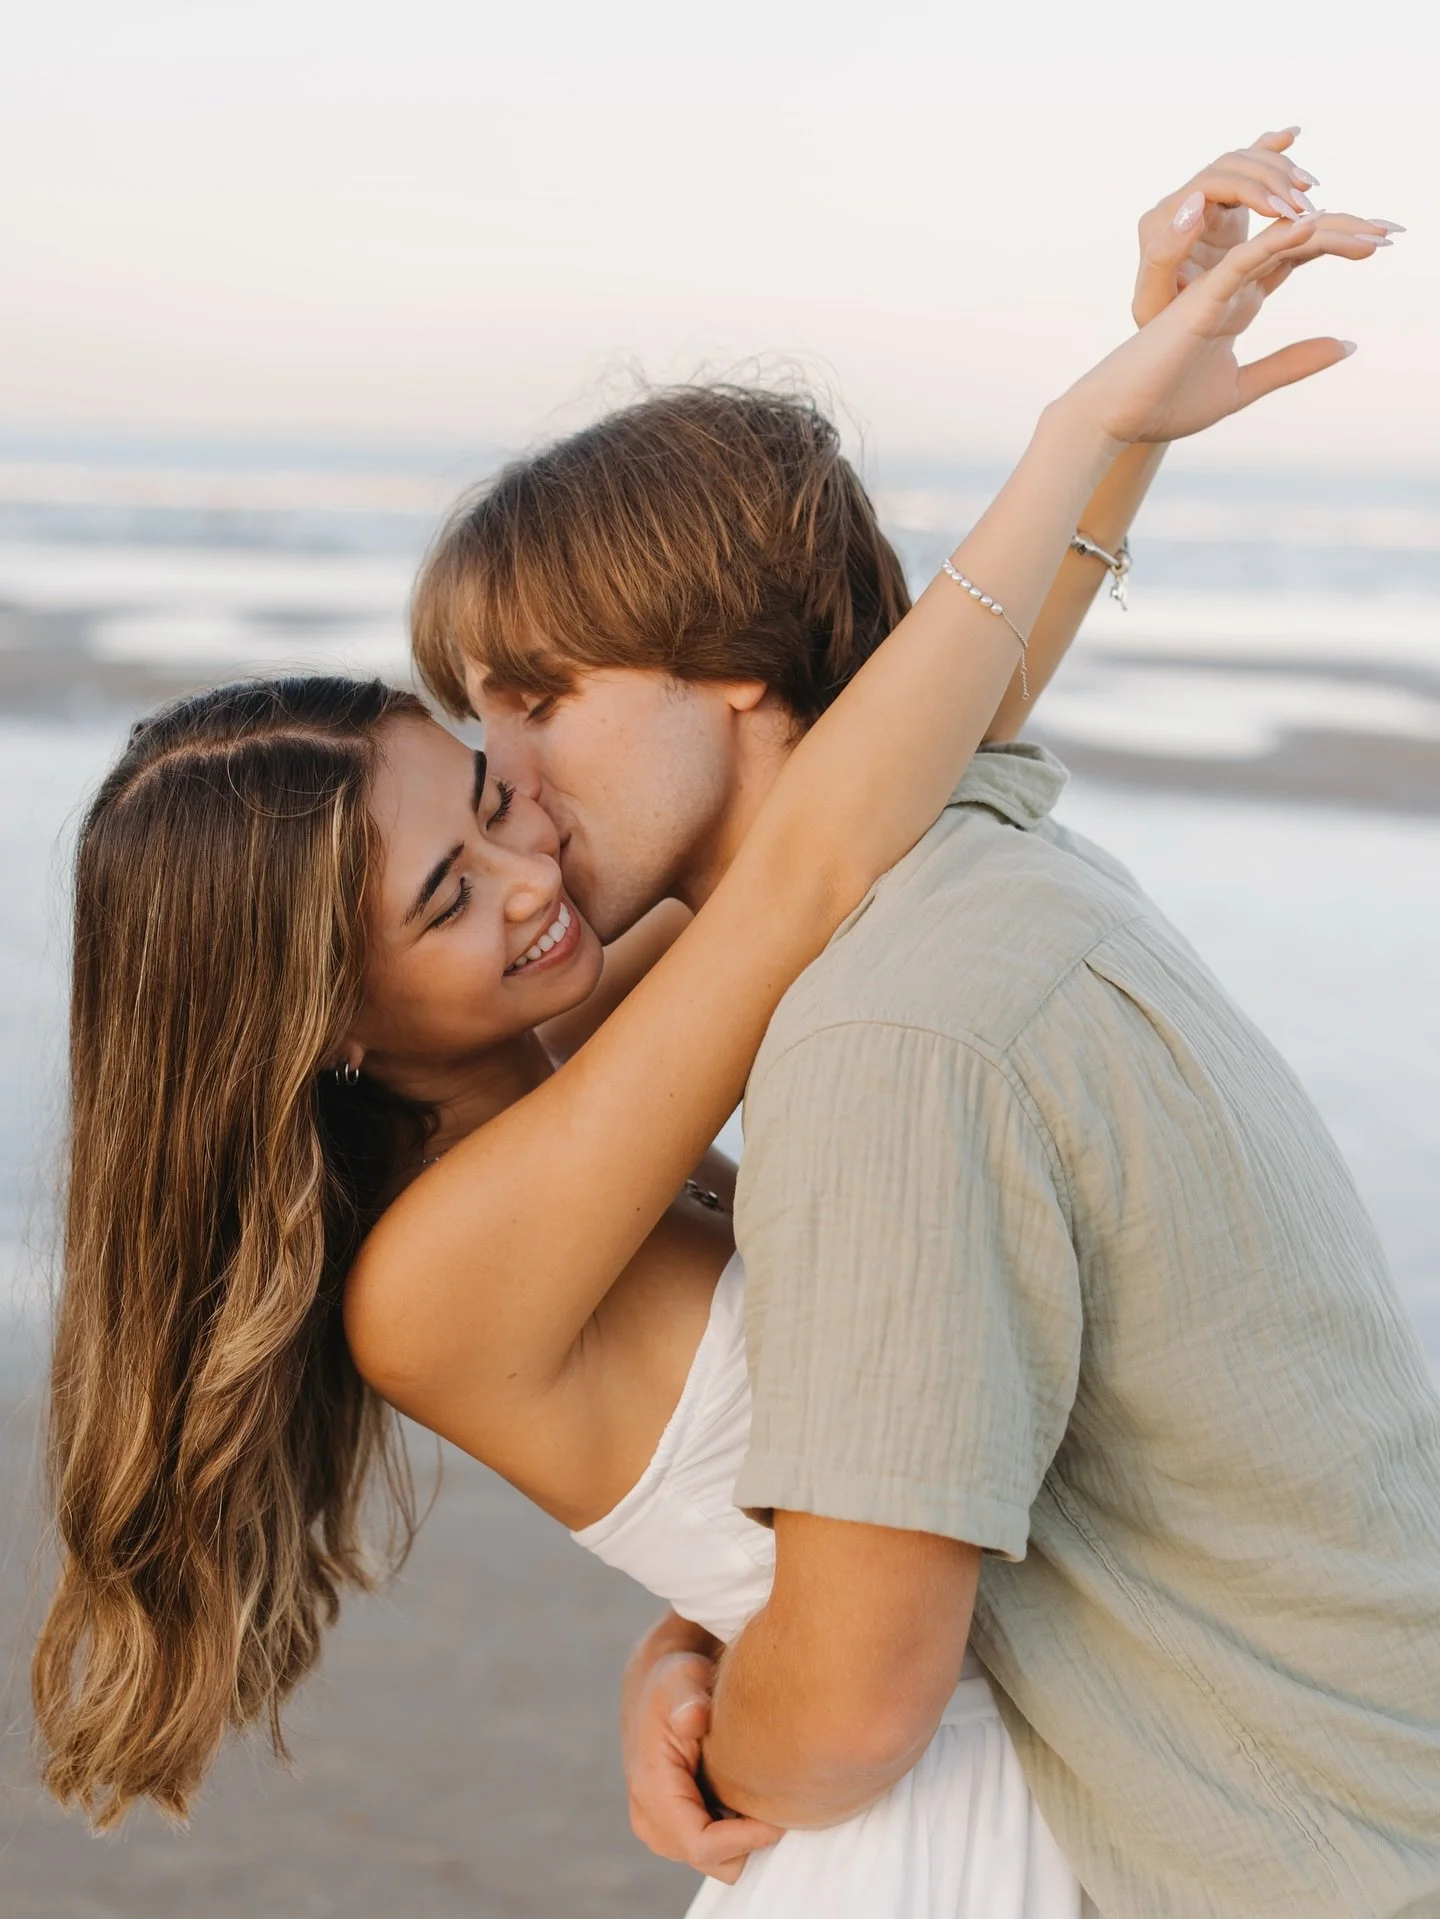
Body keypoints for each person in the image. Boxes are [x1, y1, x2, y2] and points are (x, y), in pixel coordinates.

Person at [30, 151, 1407, 1919]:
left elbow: (910, 753)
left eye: (489, 785)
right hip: (907, 1792)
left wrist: (1137, 415)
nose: (529, 864)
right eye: (446, 898)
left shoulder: (571, 1023)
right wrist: (1083, 423)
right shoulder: (432, 1274)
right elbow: (812, 855)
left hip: (1002, 1726)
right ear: (326, 1028)